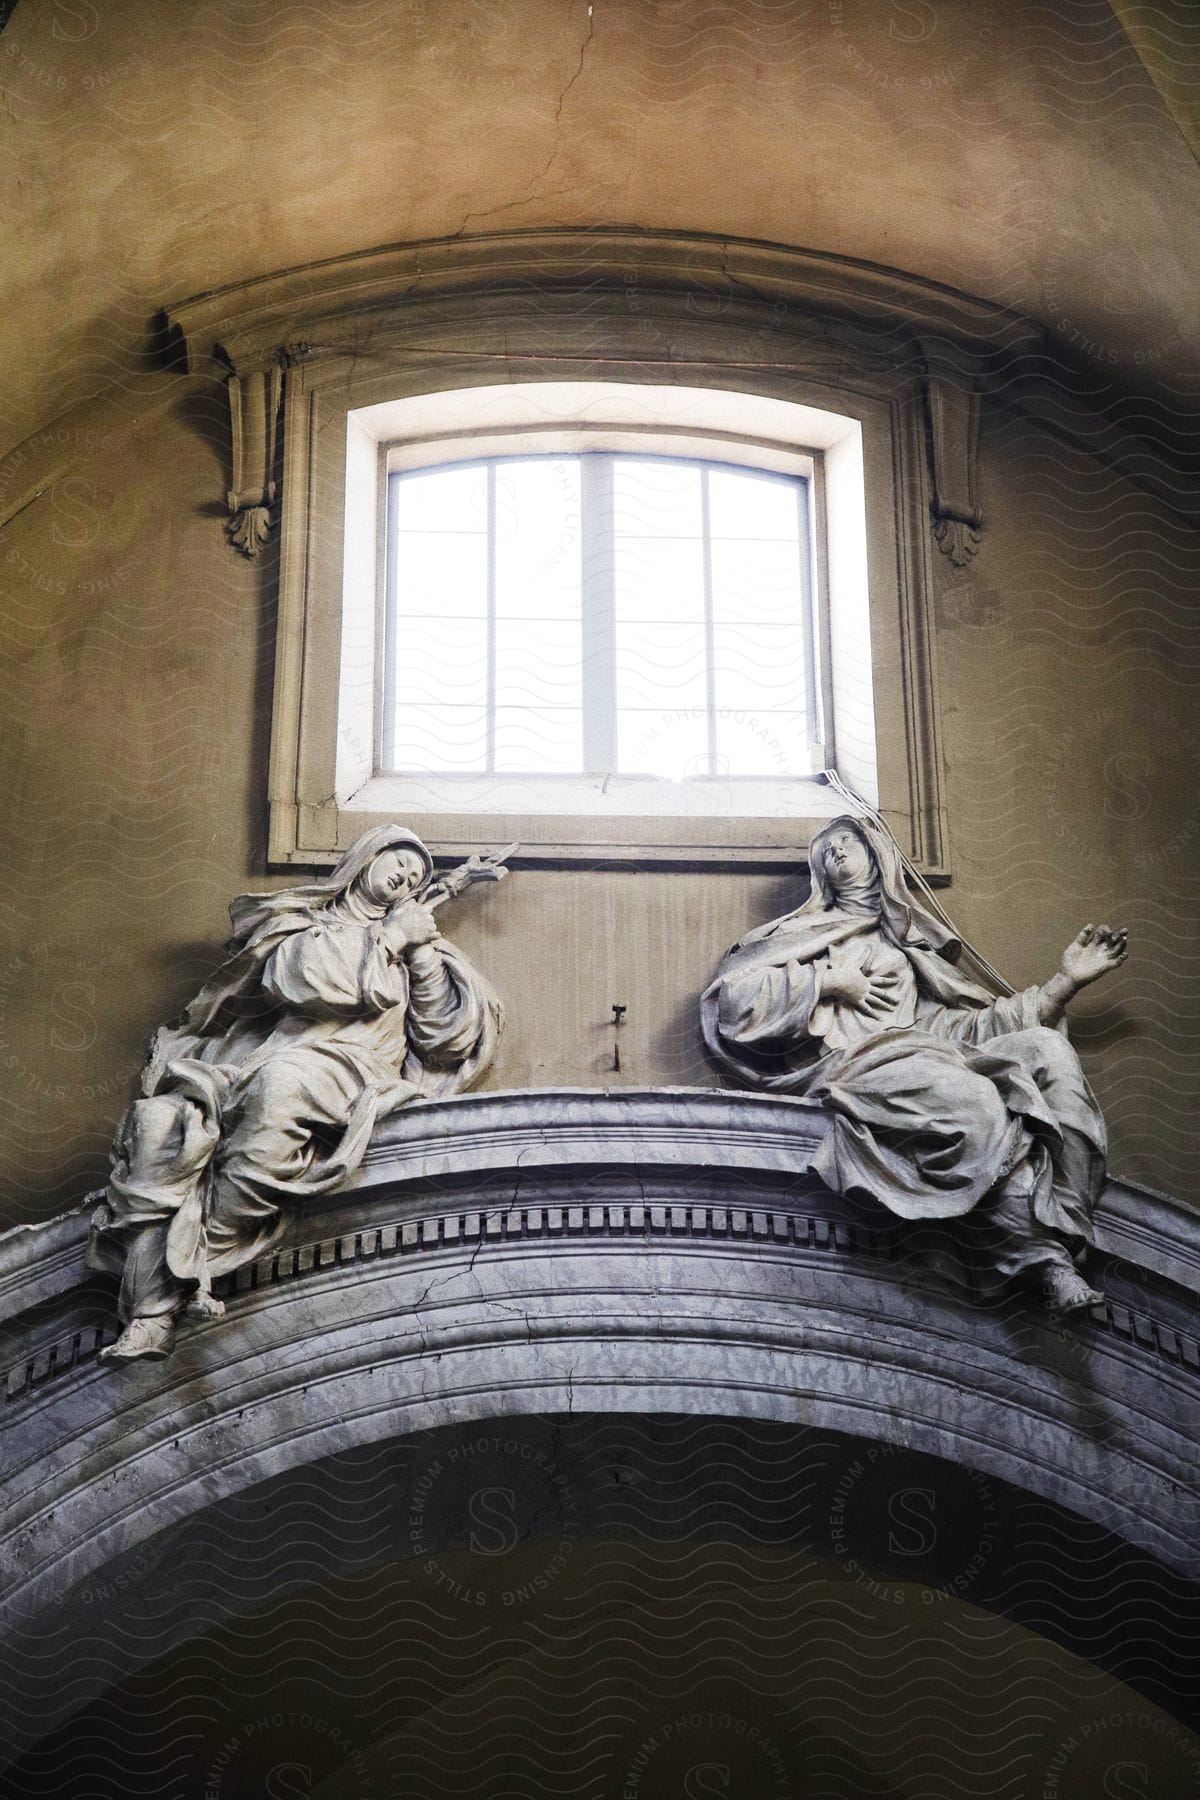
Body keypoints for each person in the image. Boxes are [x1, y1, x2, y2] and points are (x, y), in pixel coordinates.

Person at [88, 826, 503, 1360]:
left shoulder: (418, 944)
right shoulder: (303, 927)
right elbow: (302, 983)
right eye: (399, 859)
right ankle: (151, 1312)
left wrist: (420, 953)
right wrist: (390, 939)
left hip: (350, 1069)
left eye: (418, 876)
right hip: (262, 1063)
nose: (408, 875)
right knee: (155, 1123)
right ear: (366, 858)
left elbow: (446, 1041)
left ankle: (180, 1272)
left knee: (281, 1089)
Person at [701, 815, 1128, 1312]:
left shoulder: (904, 949)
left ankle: (1062, 1227)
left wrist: (1065, 982)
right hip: (857, 1062)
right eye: (827, 849)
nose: (837, 850)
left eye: (848, 841)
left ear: (877, 855)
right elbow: (733, 1002)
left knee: (1047, 1051)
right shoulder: (797, 934)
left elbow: (958, 1032)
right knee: (974, 1101)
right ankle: (1042, 1258)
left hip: (917, 1051)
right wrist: (827, 982)